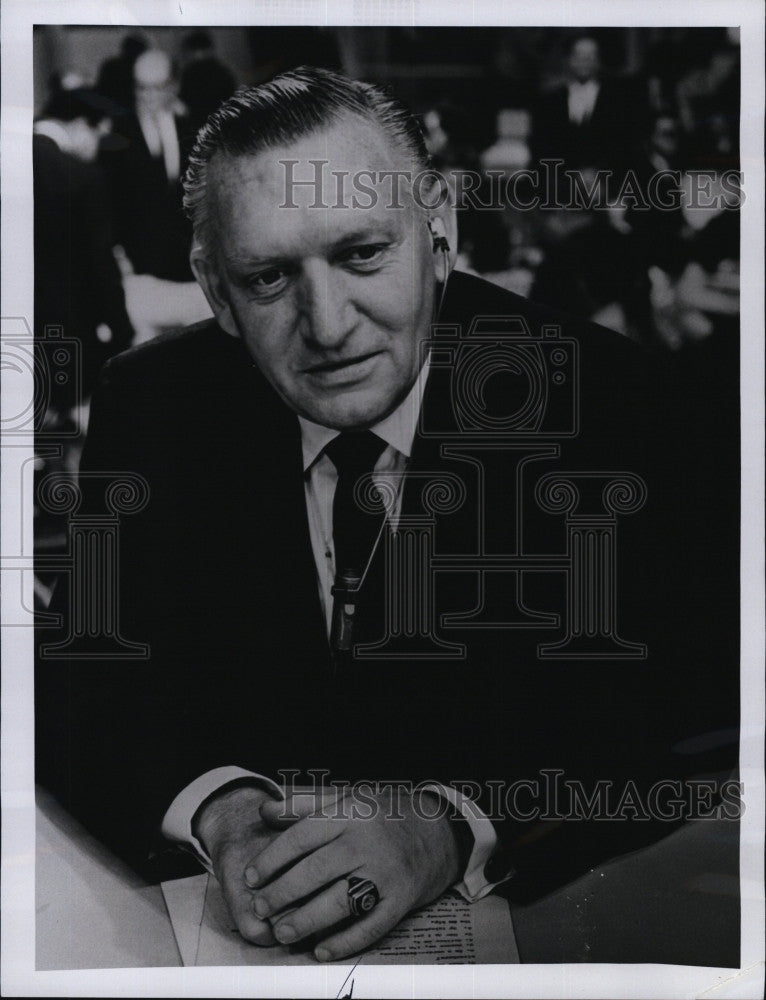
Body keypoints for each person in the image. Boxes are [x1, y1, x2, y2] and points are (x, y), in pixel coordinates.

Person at [36, 68, 738, 963]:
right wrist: (221, 806)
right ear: (213, 289)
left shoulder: (619, 406)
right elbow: (78, 671)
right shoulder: (152, 405)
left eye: (363, 253)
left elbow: (691, 703)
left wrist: (446, 823)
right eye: (268, 278)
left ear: (438, 229)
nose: (329, 326)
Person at [33, 86, 134, 408]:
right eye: (99, 136)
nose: (98, 148)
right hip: (66, 340)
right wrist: (123, 335)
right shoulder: (80, 178)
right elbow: (101, 268)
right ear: (79, 124)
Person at [100, 49, 194, 281]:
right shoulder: (118, 131)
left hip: (187, 254)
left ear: (173, 86)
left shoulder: (189, 124)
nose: (149, 96)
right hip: (141, 257)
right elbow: (111, 200)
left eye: (158, 87)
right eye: (142, 88)